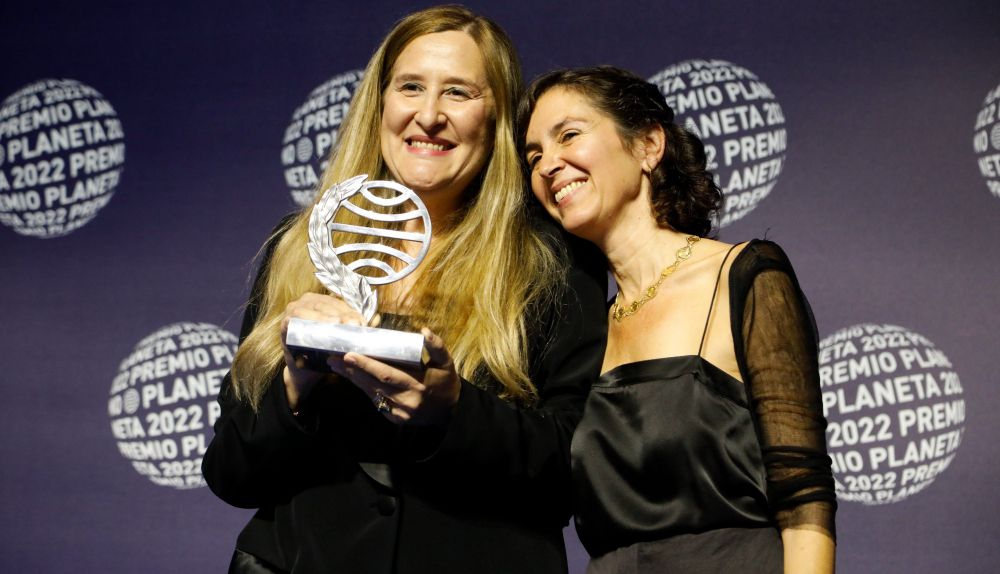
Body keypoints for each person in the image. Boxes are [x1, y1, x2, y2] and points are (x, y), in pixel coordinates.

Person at [202, 7, 607, 574]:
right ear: (380, 103)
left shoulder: (554, 262)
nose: (429, 115)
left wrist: (454, 411)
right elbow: (230, 474)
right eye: (410, 87)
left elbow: (577, 471)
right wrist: (296, 382)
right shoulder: (297, 248)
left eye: (458, 92)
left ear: (496, 118)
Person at [519, 66, 837, 573]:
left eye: (569, 135)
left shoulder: (744, 277)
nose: (549, 165)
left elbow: (804, 499)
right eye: (534, 156)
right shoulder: (581, 331)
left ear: (648, 145)